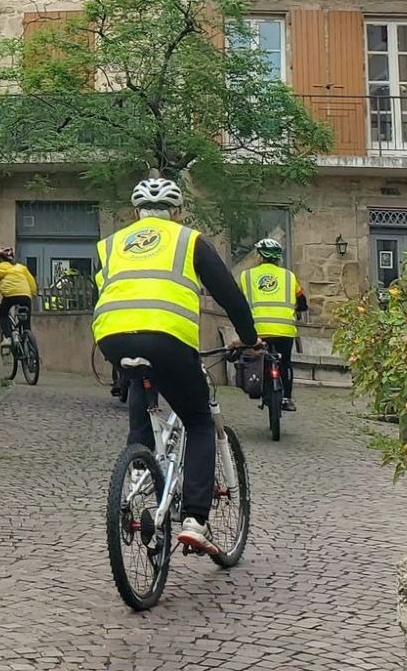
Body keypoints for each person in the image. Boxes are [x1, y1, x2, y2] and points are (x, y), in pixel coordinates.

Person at [93, 177, 262, 558]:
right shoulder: (189, 240)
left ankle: (138, 469)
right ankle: (195, 521)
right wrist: (249, 337)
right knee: (198, 419)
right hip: (168, 337)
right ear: (178, 212)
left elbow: (105, 288)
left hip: (112, 335)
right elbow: (228, 293)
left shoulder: (111, 245)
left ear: (135, 213)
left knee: (141, 382)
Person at [237, 237, 308, 411]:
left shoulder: (246, 276)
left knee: (257, 359)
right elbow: (302, 302)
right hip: (284, 329)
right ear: (278, 258)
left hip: (258, 330)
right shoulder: (289, 277)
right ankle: (287, 399)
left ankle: (258, 387)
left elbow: (238, 302)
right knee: (285, 362)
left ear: (258, 256)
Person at [0, 246, 38, 346]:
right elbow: (32, 283)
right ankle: (30, 346)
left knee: (3, 316)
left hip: (10, 295)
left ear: (0, 259)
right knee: (26, 324)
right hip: (25, 295)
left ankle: (8, 337)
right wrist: (33, 293)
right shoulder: (22, 268)